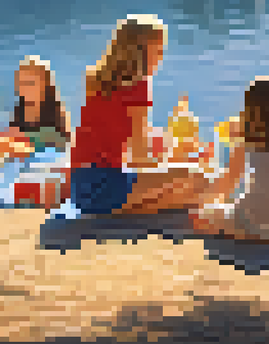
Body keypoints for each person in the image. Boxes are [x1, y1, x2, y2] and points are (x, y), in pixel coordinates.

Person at [68, 14, 211, 215]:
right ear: (139, 51)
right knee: (201, 180)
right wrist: (173, 163)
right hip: (104, 186)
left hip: (80, 188)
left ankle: (121, 213)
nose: (161, 58)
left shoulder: (98, 82)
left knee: (183, 189)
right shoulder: (138, 85)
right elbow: (139, 157)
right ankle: (120, 214)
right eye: (158, 51)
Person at [192, 76, 269, 243]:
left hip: (252, 224)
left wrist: (204, 202)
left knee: (202, 215)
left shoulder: (246, 144)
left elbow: (227, 184)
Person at [4, 55, 72, 153]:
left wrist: (25, 141)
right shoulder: (20, 110)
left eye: (31, 83)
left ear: (45, 85)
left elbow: (62, 143)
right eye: (21, 83)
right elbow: (13, 139)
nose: (25, 89)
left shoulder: (56, 111)